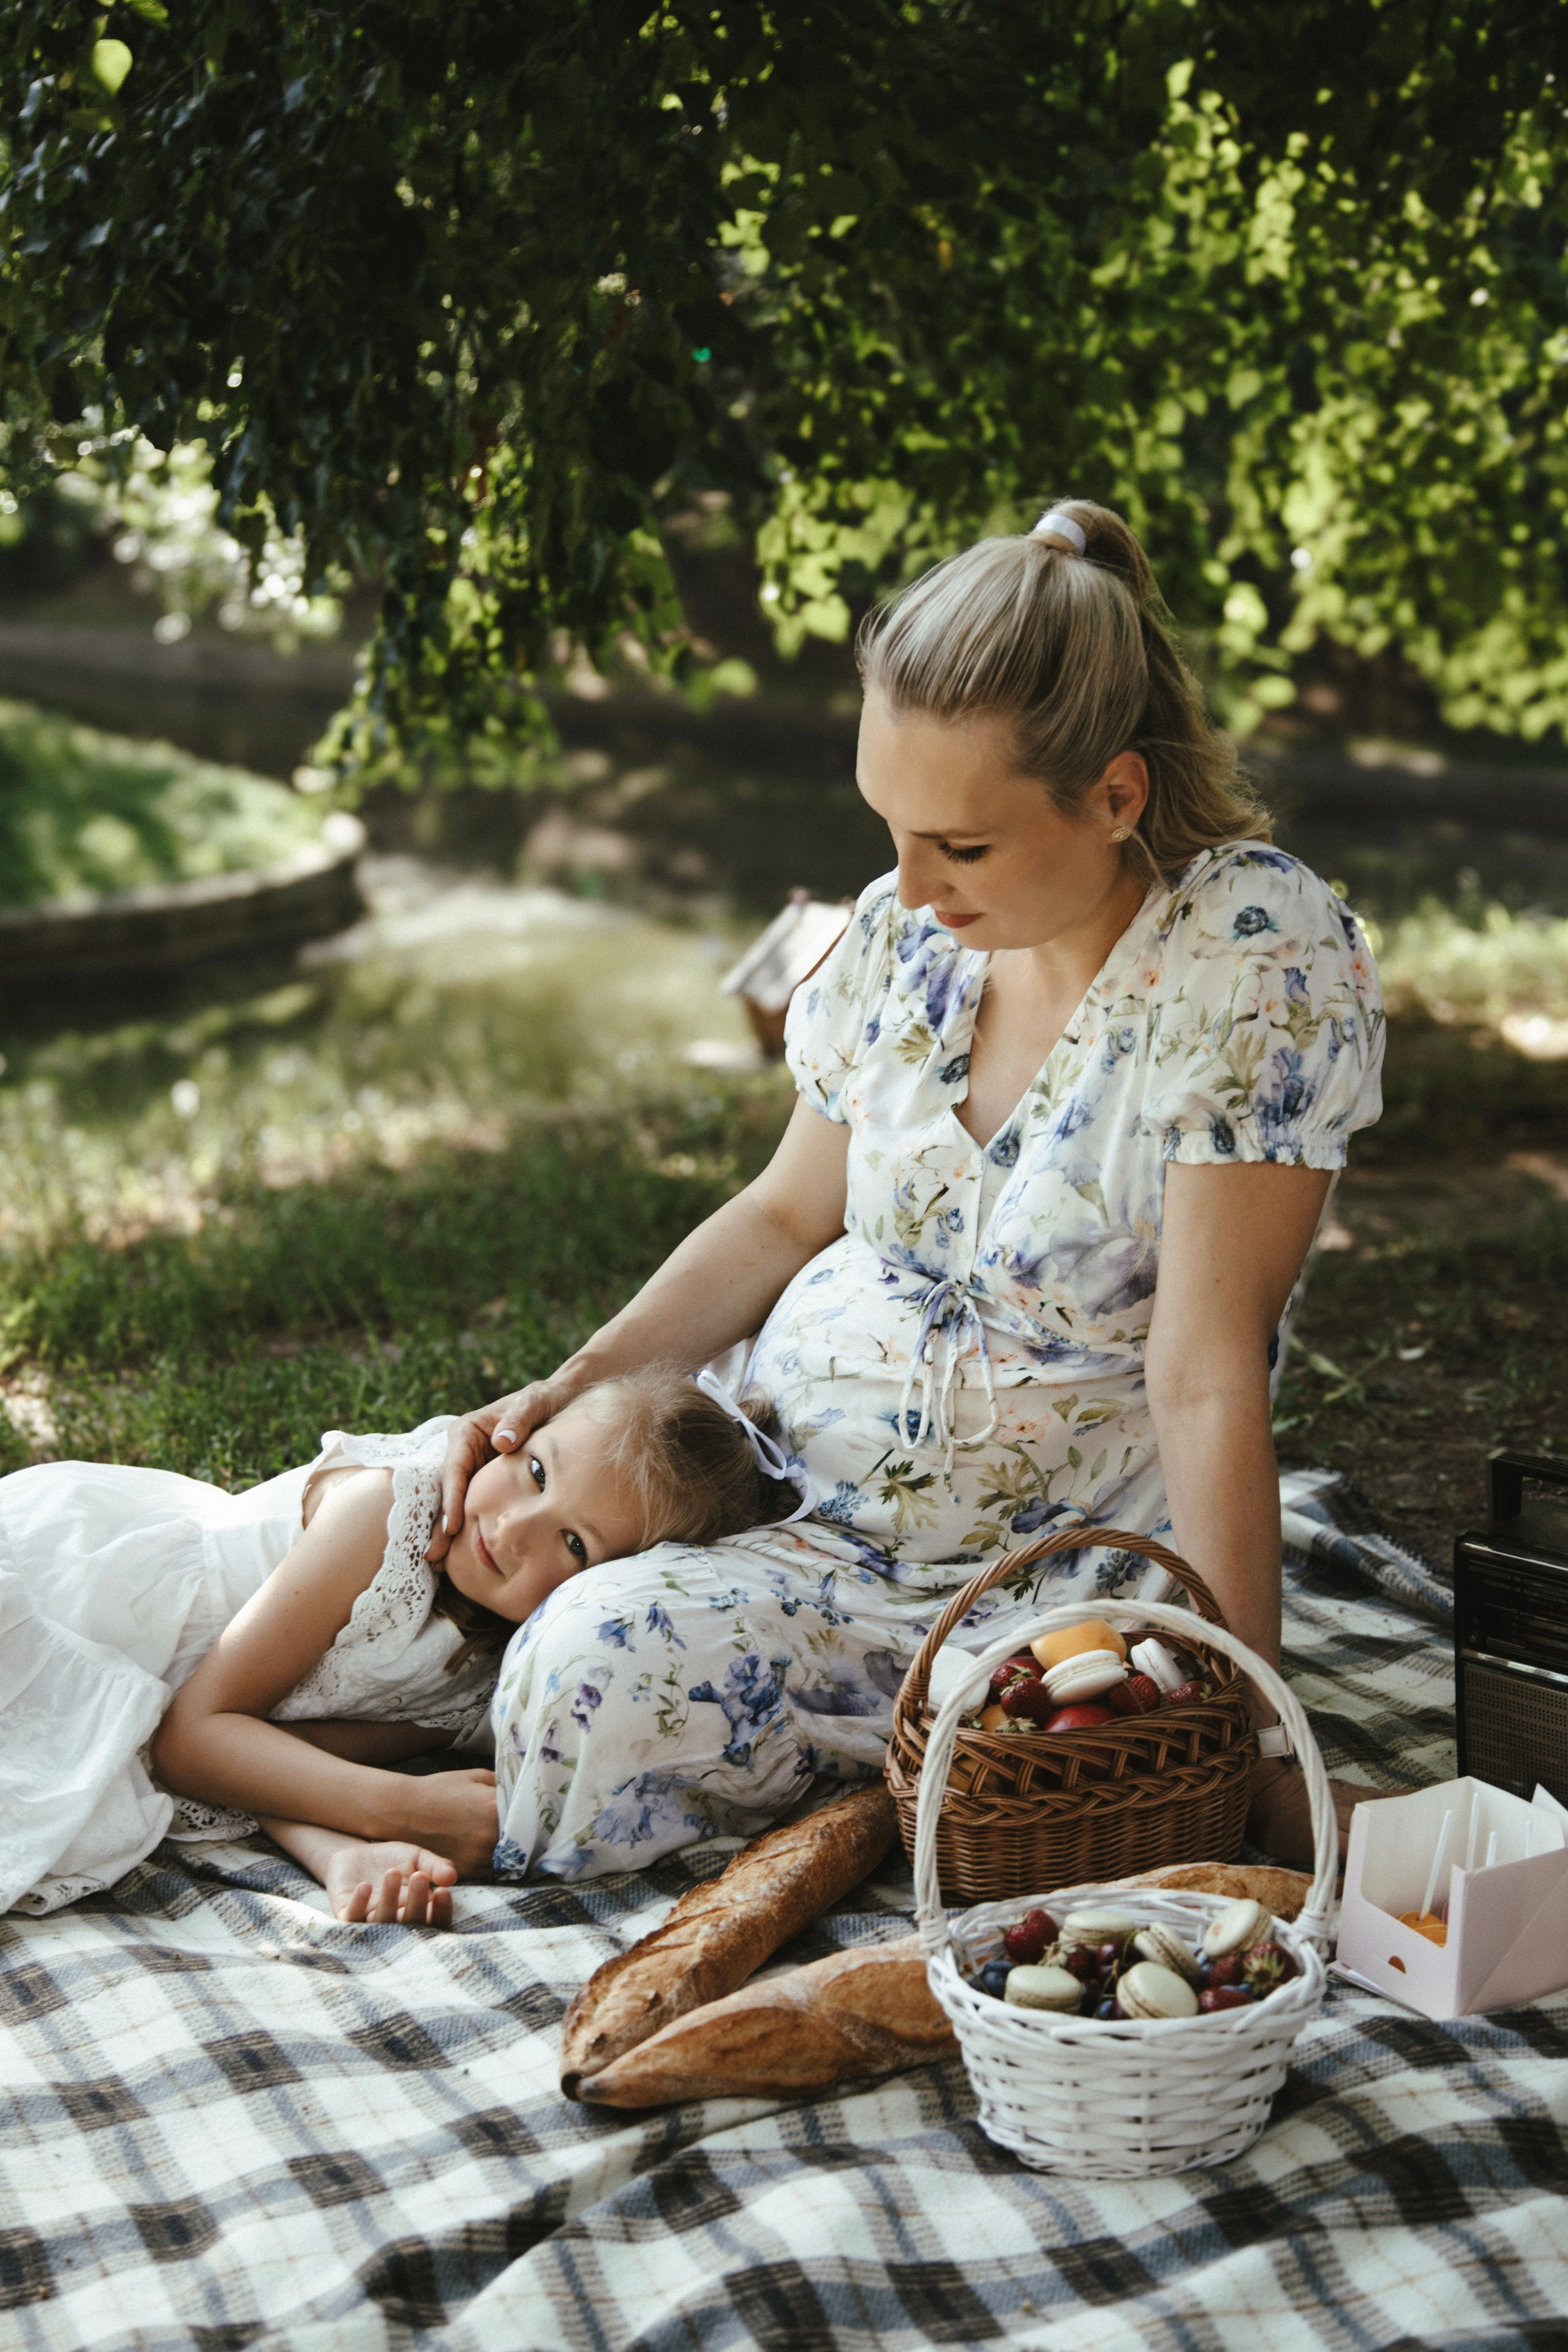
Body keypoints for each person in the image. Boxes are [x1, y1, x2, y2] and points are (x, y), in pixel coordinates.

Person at [434, 499, 1386, 1880]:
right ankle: (912, 1781)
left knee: (588, 1668)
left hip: (1020, 1576)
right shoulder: (906, 938)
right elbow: (779, 1213)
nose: (907, 883)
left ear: (1114, 796)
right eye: (890, 828)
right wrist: (571, 1381)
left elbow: (1201, 1369)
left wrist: (1243, 1733)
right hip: (768, 1495)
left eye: (961, 845)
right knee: (427, 1533)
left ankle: (959, 1764)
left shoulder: (1247, 954)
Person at [0, 1369, 797, 1921]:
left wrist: (343, 1857)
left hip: (149, 1694)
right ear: (517, 1435)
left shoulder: (488, 1682)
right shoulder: (387, 1514)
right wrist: (400, 1809)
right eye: (537, 1472)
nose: (512, 1529)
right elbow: (188, 1740)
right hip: (74, 1591)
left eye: (576, 1545)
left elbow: (274, 1751)